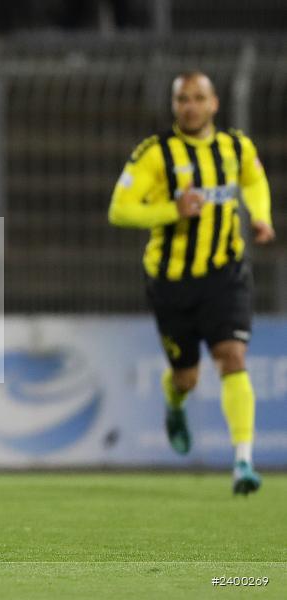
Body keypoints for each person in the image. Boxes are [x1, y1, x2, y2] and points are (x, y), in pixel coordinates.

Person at [109, 71, 274, 495]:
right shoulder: (154, 154)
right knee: (187, 378)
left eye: (199, 98)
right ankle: (174, 400)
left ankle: (243, 462)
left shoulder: (236, 147)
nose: (191, 106)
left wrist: (260, 216)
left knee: (232, 356)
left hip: (225, 274)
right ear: (174, 105)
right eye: (183, 98)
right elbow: (120, 210)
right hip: (171, 282)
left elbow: (254, 180)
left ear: (214, 103)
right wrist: (173, 209)